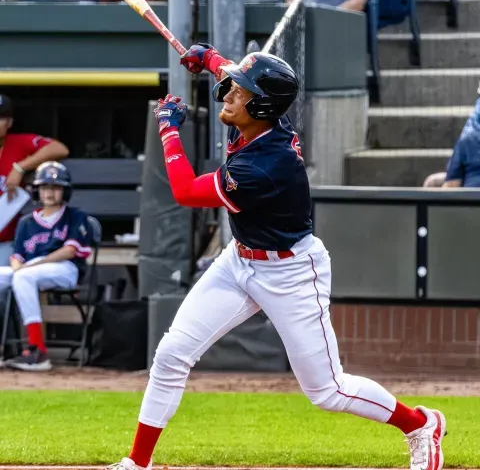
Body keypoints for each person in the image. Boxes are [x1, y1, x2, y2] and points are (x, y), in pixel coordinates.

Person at [107, 45, 446, 470]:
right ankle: (138, 462)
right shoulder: (258, 118)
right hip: (238, 261)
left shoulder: (265, 165)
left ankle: (419, 424)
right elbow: (229, 72)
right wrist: (207, 57)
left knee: (327, 391)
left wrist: (169, 130)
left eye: (241, 92)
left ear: (262, 105)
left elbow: (184, 192)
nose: (229, 94)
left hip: (290, 272)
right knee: (173, 353)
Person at [0, 161, 93, 371]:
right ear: (37, 191)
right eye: (44, 187)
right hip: (29, 271)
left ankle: (37, 351)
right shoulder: (26, 222)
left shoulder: (76, 216)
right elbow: (17, 255)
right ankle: (7, 349)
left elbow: (69, 251)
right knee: (13, 276)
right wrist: (18, 268)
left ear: (65, 191)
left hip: (66, 269)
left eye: (55, 187)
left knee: (24, 277)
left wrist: (31, 266)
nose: (49, 193)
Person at [0, 94, 70, 266]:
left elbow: (59, 149)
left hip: (7, 242)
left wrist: (20, 167)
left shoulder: (19, 143)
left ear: (9, 123)